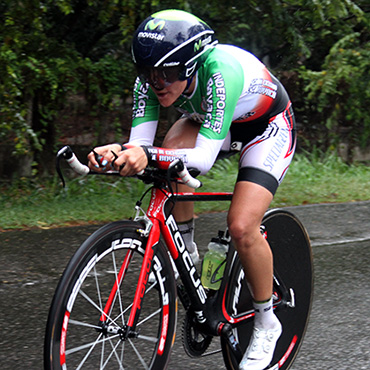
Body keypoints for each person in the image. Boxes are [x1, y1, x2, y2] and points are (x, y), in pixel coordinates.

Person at [88, 9, 296, 370]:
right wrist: (118, 153)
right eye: (147, 72)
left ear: (191, 65)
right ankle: (189, 255)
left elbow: (200, 159)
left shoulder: (219, 72)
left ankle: (266, 322)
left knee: (242, 226)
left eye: (166, 73)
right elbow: (140, 145)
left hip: (266, 128)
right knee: (167, 151)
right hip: (215, 121)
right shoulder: (152, 79)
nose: (156, 82)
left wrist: (144, 153)